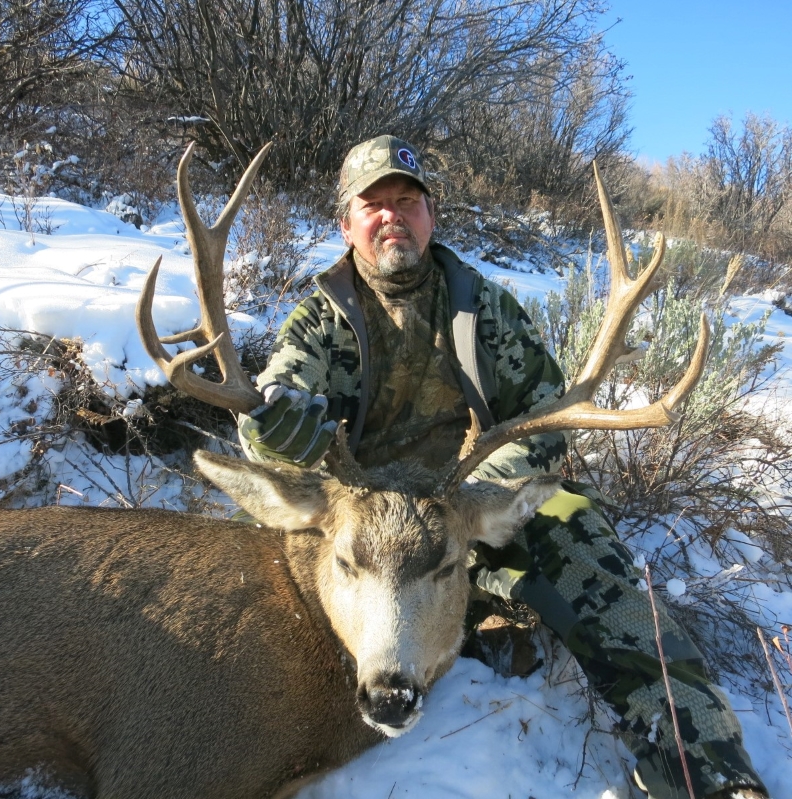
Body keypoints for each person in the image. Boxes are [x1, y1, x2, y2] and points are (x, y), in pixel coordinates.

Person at [238, 135, 768, 799]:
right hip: (368, 534)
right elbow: (281, 396)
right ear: (347, 225)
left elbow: (551, 417)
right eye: (373, 204)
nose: (392, 215)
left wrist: (480, 496)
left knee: (585, 544)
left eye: (407, 200)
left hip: (470, 513)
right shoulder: (319, 321)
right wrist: (273, 429)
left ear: (431, 215)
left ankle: (708, 770)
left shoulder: (483, 308)